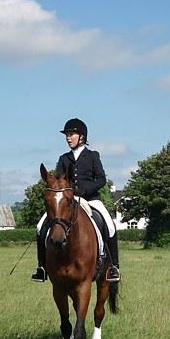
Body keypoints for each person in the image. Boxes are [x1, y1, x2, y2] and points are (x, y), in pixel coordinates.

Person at [32, 118, 120, 283]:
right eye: (67, 135)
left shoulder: (92, 156)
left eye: (71, 134)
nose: (68, 137)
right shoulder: (63, 158)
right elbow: (58, 179)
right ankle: (42, 267)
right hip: (66, 200)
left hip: (90, 199)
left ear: (82, 137)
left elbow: (101, 179)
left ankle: (113, 267)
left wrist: (84, 190)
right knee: (40, 226)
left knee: (110, 225)